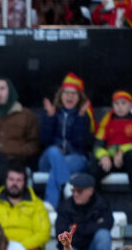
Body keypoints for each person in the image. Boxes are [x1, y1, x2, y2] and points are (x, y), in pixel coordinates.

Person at [38, 72, 94, 209]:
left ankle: (50, 204)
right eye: (66, 93)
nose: (70, 96)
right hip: (49, 159)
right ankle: (66, 186)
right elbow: (45, 140)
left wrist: (80, 118)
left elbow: (79, 142)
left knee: (56, 170)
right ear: (60, 96)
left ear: (79, 98)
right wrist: (50, 119)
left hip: (74, 157)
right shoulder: (52, 113)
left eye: (74, 94)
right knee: (53, 151)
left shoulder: (83, 116)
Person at [54, 173, 114, 250]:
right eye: (73, 190)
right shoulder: (65, 206)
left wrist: (78, 230)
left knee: (103, 236)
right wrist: (93, 226)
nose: (75, 194)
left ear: (90, 191)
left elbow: (107, 224)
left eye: (79, 191)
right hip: (73, 249)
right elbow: (61, 236)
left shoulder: (102, 204)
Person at [90, 90, 132, 202]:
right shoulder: (106, 122)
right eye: (116, 104)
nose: (120, 107)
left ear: (131, 105)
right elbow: (97, 146)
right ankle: (98, 201)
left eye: (123, 103)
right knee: (93, 169)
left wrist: (121, 151)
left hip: (127, 159)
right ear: (112, 105)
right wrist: (104, 156)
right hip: (110, 160)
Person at [0, 77, 40, 171]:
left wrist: (17, 151)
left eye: (2, 89)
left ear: (10, 91)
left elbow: (34, 144)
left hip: (18, 164)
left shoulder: (26, 115)